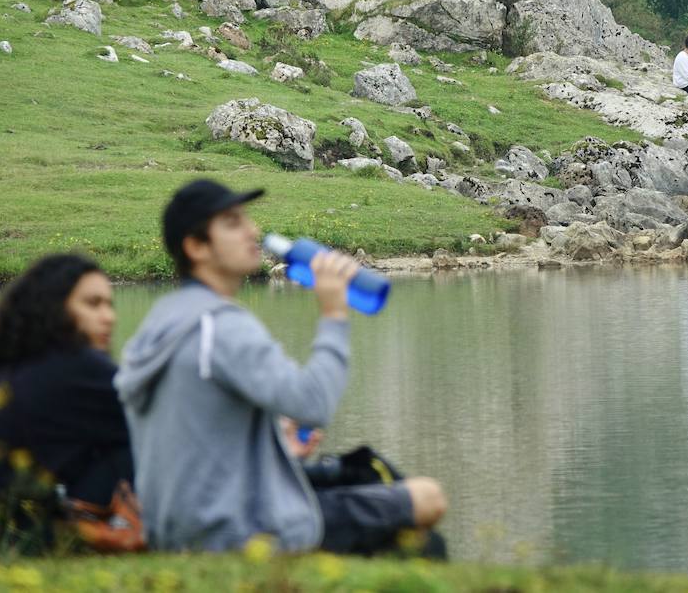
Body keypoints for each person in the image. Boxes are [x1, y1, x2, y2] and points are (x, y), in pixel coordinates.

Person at [115, 179, 449, 556]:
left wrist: (275, 441)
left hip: (179, 531)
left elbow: (200, 437)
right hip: (240, 531)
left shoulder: (160, 324)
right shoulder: (220, 325)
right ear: (196, 246)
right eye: (232, 222)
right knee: (426, 503)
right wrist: (334, 313)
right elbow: (314, 404)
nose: (253, 231)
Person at [0, 255, 134, 555]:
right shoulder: (77, 365)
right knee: (137, 445)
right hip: (25, 542)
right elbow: (154, 426)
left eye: (109, 304)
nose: (109, 317)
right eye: (93, 304)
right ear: (55, 308)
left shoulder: (3, 367)